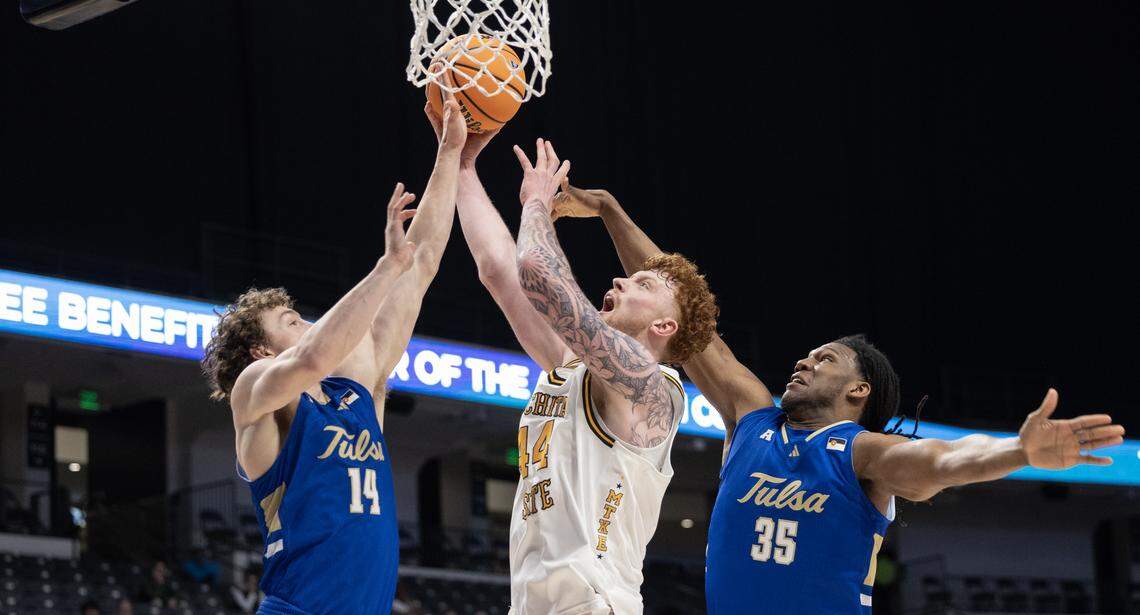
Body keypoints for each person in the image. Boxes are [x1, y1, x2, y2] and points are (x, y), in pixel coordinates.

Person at [551, 184, 1128, 614]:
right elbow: (678, 308)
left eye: (824, 358)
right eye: (807, 355)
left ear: (860, 390)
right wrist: (608, 210)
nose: (803, 361)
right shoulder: (752, 416)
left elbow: (943, 463)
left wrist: (1018, 453)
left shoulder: (863, 453)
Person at [200, 89, 468, 615]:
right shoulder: (253, 392)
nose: (308, 322)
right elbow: (310, 361)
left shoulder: (357, 384)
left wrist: (450, 153)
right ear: (259, 348)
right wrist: (384, 268)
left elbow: (423, 261)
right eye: (291, 320)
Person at [438, 116, 718, 613]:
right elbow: (500, 269)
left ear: (665, 328)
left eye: (645, 285)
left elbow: (539, 275)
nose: (622, 280)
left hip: (595, 604)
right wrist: (460, 163)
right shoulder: (574, 365)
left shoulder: (651, 389)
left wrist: (538, 203)